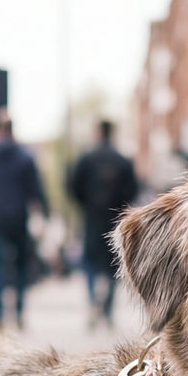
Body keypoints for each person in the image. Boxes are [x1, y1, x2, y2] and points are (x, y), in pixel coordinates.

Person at [0, 111, 48, 332]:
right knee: (19, 267)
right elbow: (36, 191)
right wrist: (43, 213)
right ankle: (18, 313)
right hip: (19, 217)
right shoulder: (25, 157)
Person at [68, 119, 138, 328]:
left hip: (91, 218)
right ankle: (106, 308)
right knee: (113, 265)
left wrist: (86, 204)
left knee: (89, 262)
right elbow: (133, 189)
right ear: (112, 133)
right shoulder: (123, 161)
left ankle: (92, 301)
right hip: (114, 219)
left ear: (98, 132)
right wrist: (120, 206)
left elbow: (73, 186)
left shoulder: (86, 159)